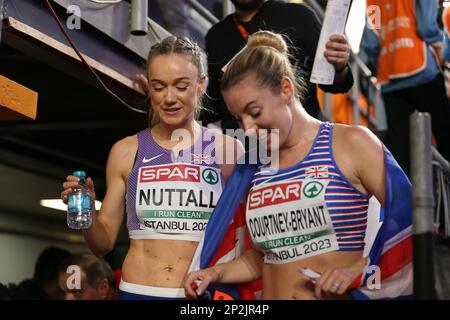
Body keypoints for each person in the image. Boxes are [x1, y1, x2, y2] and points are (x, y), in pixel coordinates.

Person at [184, 30, 413, 300]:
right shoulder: (255, 168)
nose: (247, 128)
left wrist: (361, 268)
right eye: (238, 118)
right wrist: (216, 274)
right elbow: (264, 257)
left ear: (285, 88)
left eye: (255, 112)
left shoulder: (352, 143)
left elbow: (412, 222)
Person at [61, 36, 243, 300]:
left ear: (201, 84)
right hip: (138, 291)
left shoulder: (229, 150)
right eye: (159, 87)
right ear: (149, 86)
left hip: (201, 294)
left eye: (181, 86)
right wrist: (86, 211)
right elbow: (102, 245)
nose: (169, 98)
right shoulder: (125, 151)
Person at [201, 0, 354, 130]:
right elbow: (214, 102)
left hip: (301, 144)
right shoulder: (216, 36)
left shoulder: (299, 16)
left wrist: (339, 66)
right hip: (246, 151)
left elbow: (334, 83)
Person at [361, 0, 450, 177]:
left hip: (390, 77)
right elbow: (426, 26)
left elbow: (370, 42)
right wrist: (440, 45)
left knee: (401, 153)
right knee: (446, 137)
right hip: (421, 69)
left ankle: (408, 201)